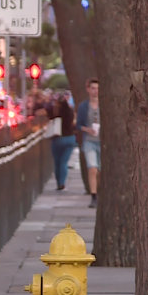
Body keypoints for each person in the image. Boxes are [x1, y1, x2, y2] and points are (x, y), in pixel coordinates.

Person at [77, 79, 101, 208]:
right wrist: (88, 130)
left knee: (101, 170)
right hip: (90, 141)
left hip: (102, 142)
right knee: (92, 168)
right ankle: (93, 196)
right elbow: (79, 125)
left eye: (97, 88)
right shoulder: (83, 106)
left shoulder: (104, 105)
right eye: (93, 88)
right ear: (88, 89)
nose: (95, 91)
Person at [49, 94, 77, 191]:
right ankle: (62, 183)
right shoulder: (69, 111)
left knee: (57, 162)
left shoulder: (54, 111)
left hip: (58, 138)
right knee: (64, 162)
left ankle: (58, 183)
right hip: (70, 138)